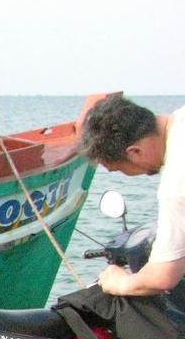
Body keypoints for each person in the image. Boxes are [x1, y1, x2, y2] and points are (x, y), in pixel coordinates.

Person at [77, 93, 185, 296]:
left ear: (135, 152)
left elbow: (162, 276)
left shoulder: (177, 181)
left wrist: (121, 282)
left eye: (120, 169)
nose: (128, 176)